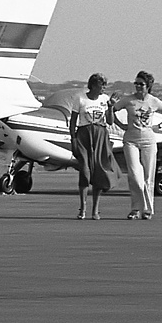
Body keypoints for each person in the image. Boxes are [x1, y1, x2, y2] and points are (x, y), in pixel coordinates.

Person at [111, 71, 162, 220]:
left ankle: (147, 210)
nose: (138, 86)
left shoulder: (153, 101)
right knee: (135, 175)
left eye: (141, 84)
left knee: (148, 177)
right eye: (136, 83)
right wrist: (120, 124)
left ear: (148, 86)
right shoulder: (128, 100)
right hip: (130, 140)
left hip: (148, 141)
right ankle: (135, 209)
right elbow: (112, 111)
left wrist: (159, 126)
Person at [67, 72, 116, 220]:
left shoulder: (105, 99)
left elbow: (110, 121)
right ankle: (83, 207)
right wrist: (73, 139)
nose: (104, 88)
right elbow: (73, 121)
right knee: (85, 171)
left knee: (98, 171)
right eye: (102, 85)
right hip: (84, 135)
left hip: (100, 134)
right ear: (94, 85)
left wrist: (111, 107)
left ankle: (95, 209)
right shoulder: (80, 99)